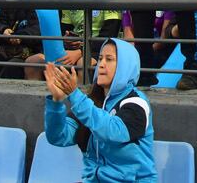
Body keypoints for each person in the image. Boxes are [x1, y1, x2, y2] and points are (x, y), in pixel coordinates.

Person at [43, 38, 156, 183]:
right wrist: (56, 102)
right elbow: (58, 137)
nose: (101, 65)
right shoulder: (91, 103)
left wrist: (74, 94)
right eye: (101, 58)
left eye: (109, 59)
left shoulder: (137, 102)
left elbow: (113, 132)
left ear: (126, 66)